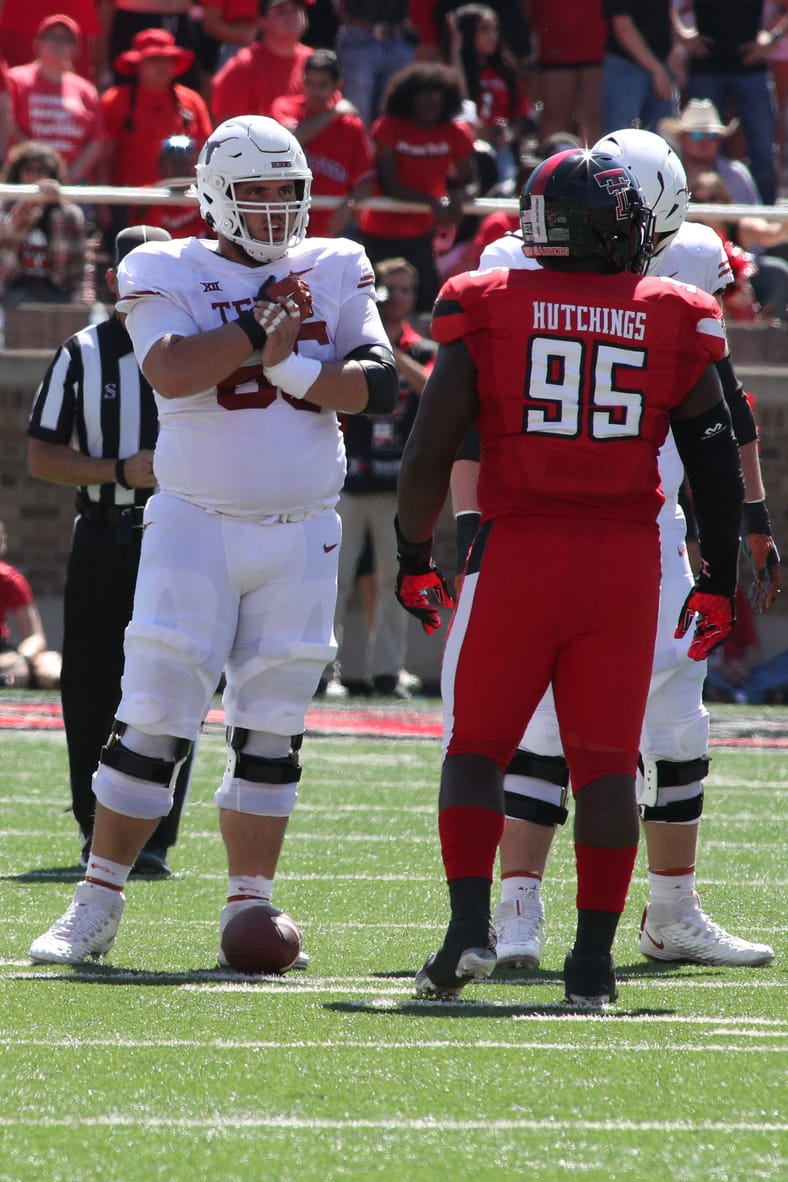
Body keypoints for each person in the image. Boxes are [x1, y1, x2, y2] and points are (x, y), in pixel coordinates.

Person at [29, 114, 398, 967]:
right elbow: (170, 370)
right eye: (257, 193)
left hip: (304, 528)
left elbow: (376, 386)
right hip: (194, 520)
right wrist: (256, 333)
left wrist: (291, 367)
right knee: (153, 711)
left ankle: (250, 907)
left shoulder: (336, 264)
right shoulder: (165, 263)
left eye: (287, 193)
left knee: (273, 723)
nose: (275, 211)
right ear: (213, 196)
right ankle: (98, 901)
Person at [395, 147, 745, 1006]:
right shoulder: (673, 312)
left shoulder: (488, 303)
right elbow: (715, 462)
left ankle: (469, 930)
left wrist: (413, 554)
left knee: (476, 747)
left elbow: (432, 447)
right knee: (604, 763)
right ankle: (591, 965)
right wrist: (718, 578)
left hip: (518, 551)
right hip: (625, 561)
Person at [26, 225, 192, 878]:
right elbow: (41, 456)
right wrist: (119, 470)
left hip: (181, 538)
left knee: (174, 682)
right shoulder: (83, 352)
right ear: (109, 279)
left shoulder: (201, 349)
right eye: (132, 274)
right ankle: (93, 825)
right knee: (91, 684)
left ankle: (155, 836)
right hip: (104, 533)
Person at [332, 256, 435, 697]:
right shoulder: (356, 342)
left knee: (398, 582)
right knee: (331, 581)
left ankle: (390, 670)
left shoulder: (421, 349)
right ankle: (324, 671)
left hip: (397, 487)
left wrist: (392, 357)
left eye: (405, 290)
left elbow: (433, 392)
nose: (396, 299)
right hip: (349, 481)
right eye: (387, 290)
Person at [359, 62, 478, 311]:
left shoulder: (455, 132)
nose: (429, 108)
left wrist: (458, 195)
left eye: (436, 104)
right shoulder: (389, 127)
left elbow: (471, 182)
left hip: (421, 236)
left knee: (425, 307)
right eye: (423, 102)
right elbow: (388, 183)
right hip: (379, 232)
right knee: (371, 305)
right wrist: (432, 202)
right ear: (408, 100)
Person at [672, 1, 787, 207]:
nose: (706, 139)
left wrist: (773, 39)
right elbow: (669, 6)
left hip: (751, 68)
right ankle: (706, 212)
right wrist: (682, 36)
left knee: (763, 150)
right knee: (702, 149)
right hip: (706, 66)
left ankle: (766, 220)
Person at [270, 48, 376, 239]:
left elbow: (367, 181)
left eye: (323, 85)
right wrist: (331, 114)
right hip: (284, 226)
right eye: (309, 83)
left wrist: (348, 207)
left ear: (337, 86)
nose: (315, 91)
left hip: (328, 232)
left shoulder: (351, 126)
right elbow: (292, 138)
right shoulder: (285, 106)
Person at [6, 14, 105, 185]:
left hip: (71, 183)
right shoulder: (15, 80)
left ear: (76, 49)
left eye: (66, 39)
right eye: (51, 36)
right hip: (22, 179)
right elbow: (8, 126)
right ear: (37, 43)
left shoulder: (86, 90)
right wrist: (39, 168)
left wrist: (66, 177)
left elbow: (96, 142)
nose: (57, 43)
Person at [444, 4, 530, 185]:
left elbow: (524, 119)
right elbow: (461, 103)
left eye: (494, 30)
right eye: (484, 30)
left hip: (501, 148)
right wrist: (456, 52)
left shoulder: (505, 71)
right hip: (470, 147)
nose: (492, 36)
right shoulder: (456, 71)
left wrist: (510, 132)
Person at [0, 140, 94, 306]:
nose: (34, 176)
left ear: (51, 174)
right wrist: (29, 202)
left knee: (95, 314)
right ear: (18, 173)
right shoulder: (5, 204)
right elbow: (6, 234)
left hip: (55, 289)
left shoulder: (69, 214)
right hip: (11, 288)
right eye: (28, 170)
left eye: (41, 171)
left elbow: (80, 264)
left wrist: (82, 295)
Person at [211, 0, 313, 125]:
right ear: (261, 21)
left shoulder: (314, 61)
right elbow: (228, 129)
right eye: (281, 11)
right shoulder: (242, 66)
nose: (291, 16)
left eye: (295, 9)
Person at [524, 0, 605, 145]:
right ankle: (549, 163)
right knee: (554, 118)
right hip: (554, 44)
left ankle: (594, 165)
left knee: (593, 118)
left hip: (598, 46)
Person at [602, 1, 683, 133]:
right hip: (624, 68)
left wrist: (675, 54)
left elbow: (667, 13)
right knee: (622, 138)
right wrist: (657, 70)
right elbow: (622, 25)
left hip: (662, 68)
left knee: (665, 138)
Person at [334, 1, 418, 130]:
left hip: (396, 37)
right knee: (357, 112)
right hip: (358, 36)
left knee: (395, 112)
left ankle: (385, 148)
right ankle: (359, 148)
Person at [0, 520, 62, 690]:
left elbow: (35, 638)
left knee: (49, 664)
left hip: (5, 655)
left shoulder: (9, 579)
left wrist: (21, 659)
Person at [667, 98, 762, 206]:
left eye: (711, 136)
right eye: (696, 135)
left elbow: (750, 216)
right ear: (681, 138)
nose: (704, 141)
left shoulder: (735, 175)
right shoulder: (667, 174)